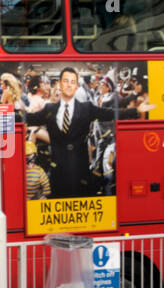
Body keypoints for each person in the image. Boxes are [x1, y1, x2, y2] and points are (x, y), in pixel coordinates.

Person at [20, 67, 154, 198]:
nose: (69, 85)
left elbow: (109, 113)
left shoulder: (86, 108)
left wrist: (135, 111)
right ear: (60, 84)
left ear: (77, 86)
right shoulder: (49, 109)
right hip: (58, 175)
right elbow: (29, 118)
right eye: (65, 81)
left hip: (80, 174)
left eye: (72, 82)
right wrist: (4, 115)